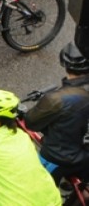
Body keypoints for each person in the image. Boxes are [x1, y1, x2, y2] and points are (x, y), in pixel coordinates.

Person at [23, 43, 89, 183]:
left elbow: (31, 123)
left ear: (64, 63)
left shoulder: (56, 99)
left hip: (64, 158)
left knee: (36, 185)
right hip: (84, 155)